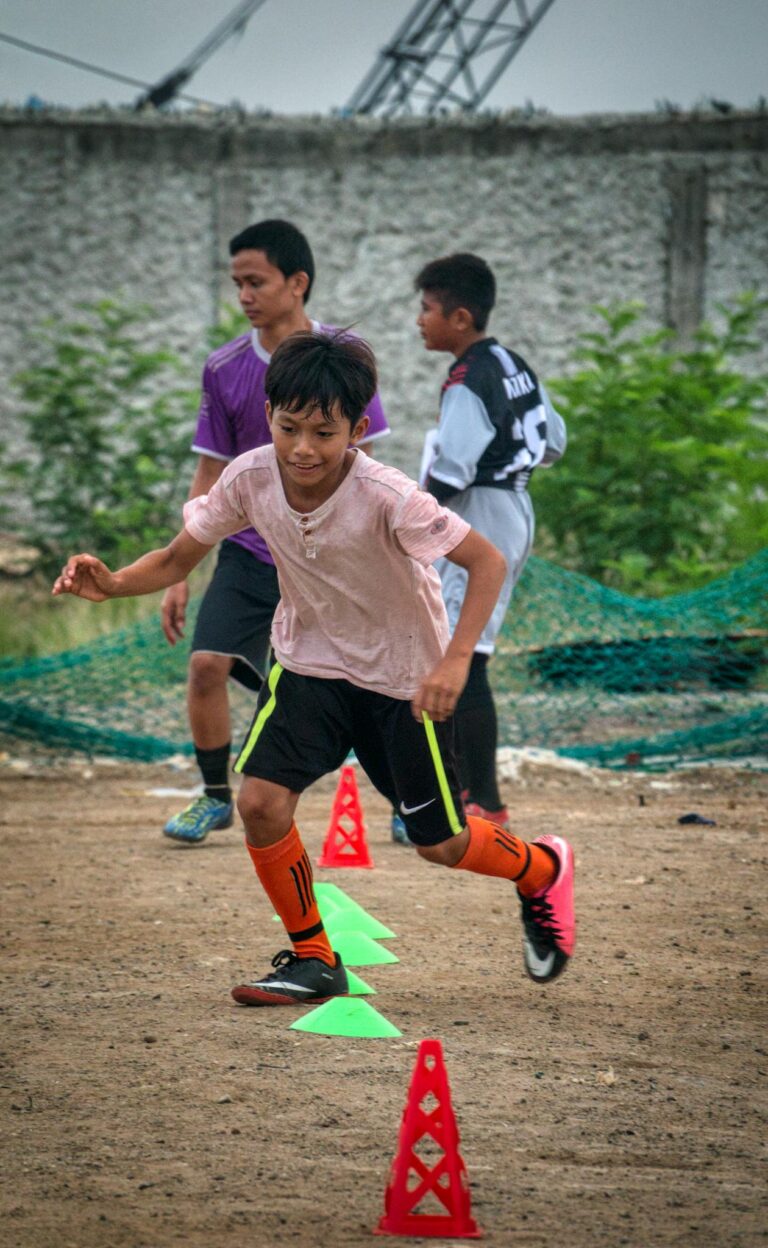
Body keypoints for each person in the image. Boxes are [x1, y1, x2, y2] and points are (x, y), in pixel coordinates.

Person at [52, 331, 576, 1002]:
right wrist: (114, 581)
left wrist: (452, 664)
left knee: (440, 843)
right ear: (268, 415)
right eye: (288, 426)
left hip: (401, 682)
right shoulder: (249, 477)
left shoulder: (389, 496)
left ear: (357, 430)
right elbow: (180, 557)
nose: (302, 448)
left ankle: (540, 868)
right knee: (260, 803)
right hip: (309, 666)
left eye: (322, 433)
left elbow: (486, 562)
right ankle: (315, 958)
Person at [160, 219, 390, 845]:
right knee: (207, 663)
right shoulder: (225, 367)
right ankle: (214, 795)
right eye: (237, 284)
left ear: (297, 283)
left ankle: (406, 792)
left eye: (255, 281)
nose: (244, 296)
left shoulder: (342, 355)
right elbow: (210, 468)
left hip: (329, 558)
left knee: (369, 683)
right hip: (248, 551)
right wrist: (179, 570)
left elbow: (373, 466)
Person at [388, 252, 566, 845]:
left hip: (479, 513)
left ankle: (480, 800)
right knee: (462, 647)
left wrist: (407, 518)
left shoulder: (467, 379)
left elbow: (455, 467)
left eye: (427, 309)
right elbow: (553, 440)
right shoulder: (513, 364)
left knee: (465, 653)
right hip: (514, 505)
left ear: (459, 317)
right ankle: (466, 791)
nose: (419, 321)